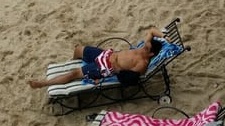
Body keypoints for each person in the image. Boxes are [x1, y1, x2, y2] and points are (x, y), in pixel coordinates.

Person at [28, 26, 165, 89]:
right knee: (79, 49)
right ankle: (72, 62)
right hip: (105, 54)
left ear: (151, 54)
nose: (143, 47)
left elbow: (129, 78)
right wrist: (165, 37)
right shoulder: (146, 47)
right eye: (145, 45)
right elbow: (152, 30)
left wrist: (114, 68)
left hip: (104, 67)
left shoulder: (142, 63)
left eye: (146, 48)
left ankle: (43, 84)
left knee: (74, 73)